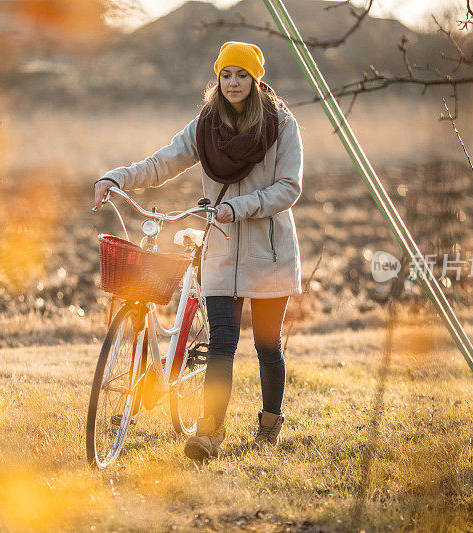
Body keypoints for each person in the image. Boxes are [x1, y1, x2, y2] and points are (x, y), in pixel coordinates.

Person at [93, 41, 303, 462]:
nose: (233, 83)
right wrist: (118, 177)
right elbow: (164, 161)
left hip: (270, 253)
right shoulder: (206, 125)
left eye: (242, 74)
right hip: (222, 251)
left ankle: (269, 425)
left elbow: (289, 188)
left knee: (266, 345)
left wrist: (236, 207)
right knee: (222, 343)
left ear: (255, 79)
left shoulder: (280, 124)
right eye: (226, 74)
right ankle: (209, 433)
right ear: (218, 78)